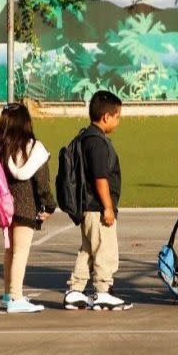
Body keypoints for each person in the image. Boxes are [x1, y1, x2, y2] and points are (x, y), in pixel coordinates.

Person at [63, 91, 132, 311]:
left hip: (88, 207)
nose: (118, 121)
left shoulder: (85, 137)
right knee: (104, 249)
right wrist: (108, 208)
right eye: (117, 116)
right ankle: (103, 291)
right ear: (106, 117)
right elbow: (100, 178)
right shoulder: (97, 142)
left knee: (88, 250)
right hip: (97, 207)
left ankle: (75, 289)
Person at [0, 103, 56, 313]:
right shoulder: (35, 148)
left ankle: (9, 294)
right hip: (25, 208)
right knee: (20, 252)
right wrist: (49, 206)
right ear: (26, 122)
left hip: (4, 207)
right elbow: (42, 183)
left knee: (9, 251)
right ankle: (16, 297)